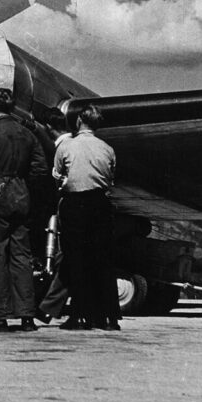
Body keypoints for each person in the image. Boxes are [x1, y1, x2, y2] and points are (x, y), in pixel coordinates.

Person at [0, 88, 48, 332]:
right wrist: (24, 187)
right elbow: (40, 169)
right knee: (22, 256)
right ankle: (27, 316)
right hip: (21, 194)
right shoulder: (27, 133)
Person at [52, 104, 120, 331]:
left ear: (79, 121)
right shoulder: (108, 148)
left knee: (77, 260)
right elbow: (111, 178)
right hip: (100, 203)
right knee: (104, 259)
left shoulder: (67, 146)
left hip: (75, 203)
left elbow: (57, 174)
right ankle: (109, 318)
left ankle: (80, 315)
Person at [34, 108, 73, 324]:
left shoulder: (61, 149)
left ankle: (49, 307)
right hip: (95, 206)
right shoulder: (90, 144)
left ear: (49, 128)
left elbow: (58, 180)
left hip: (71, 206)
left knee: (66, 258)